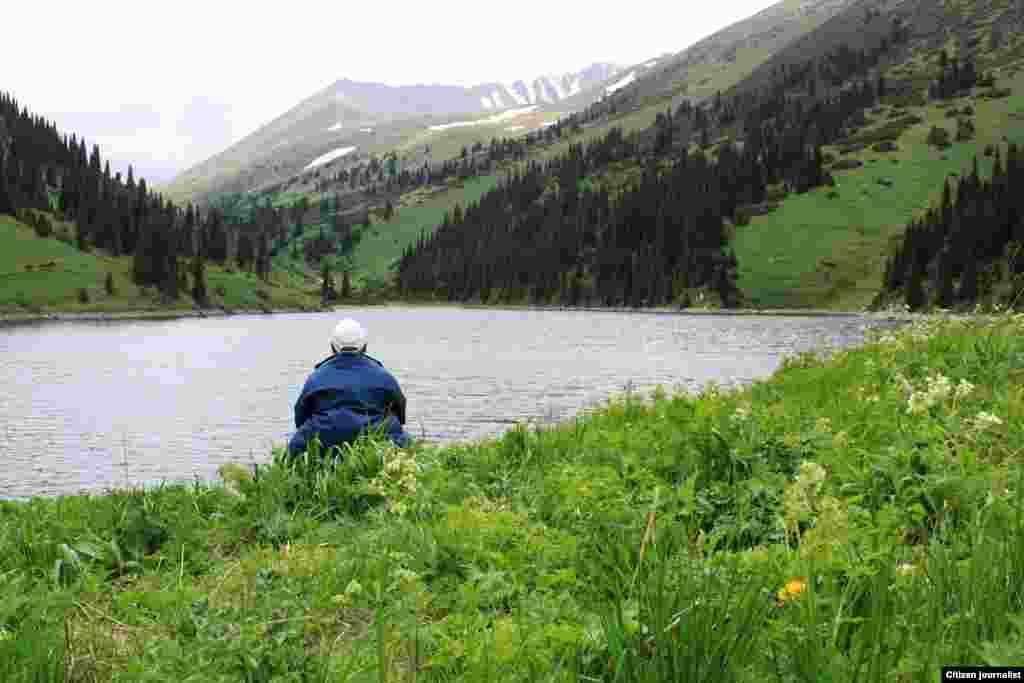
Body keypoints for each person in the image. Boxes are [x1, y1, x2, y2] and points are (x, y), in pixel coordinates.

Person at [288, 318, 411, 458]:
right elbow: (400, 412)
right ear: (364, 347)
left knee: (297, 442)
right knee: (402, 437)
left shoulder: (316, 377)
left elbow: (300, 416)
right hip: (375, 442)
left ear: (333, 347)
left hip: (326, 443)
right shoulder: (383, 375)